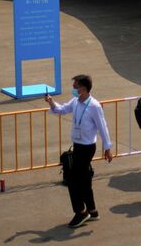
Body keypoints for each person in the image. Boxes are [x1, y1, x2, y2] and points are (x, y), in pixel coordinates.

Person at [46, 75, 113, 228]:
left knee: (72, 179)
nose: (73, 89)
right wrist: (52, 103)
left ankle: (80, 211)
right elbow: (61, 109)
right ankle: (93, 210)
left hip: (87, 148)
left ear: (83, 89)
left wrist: (107, 148)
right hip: (78, 145)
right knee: (84, 179)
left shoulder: (94, 106)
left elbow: (103, 127)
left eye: (75, 86)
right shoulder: (76, 102)